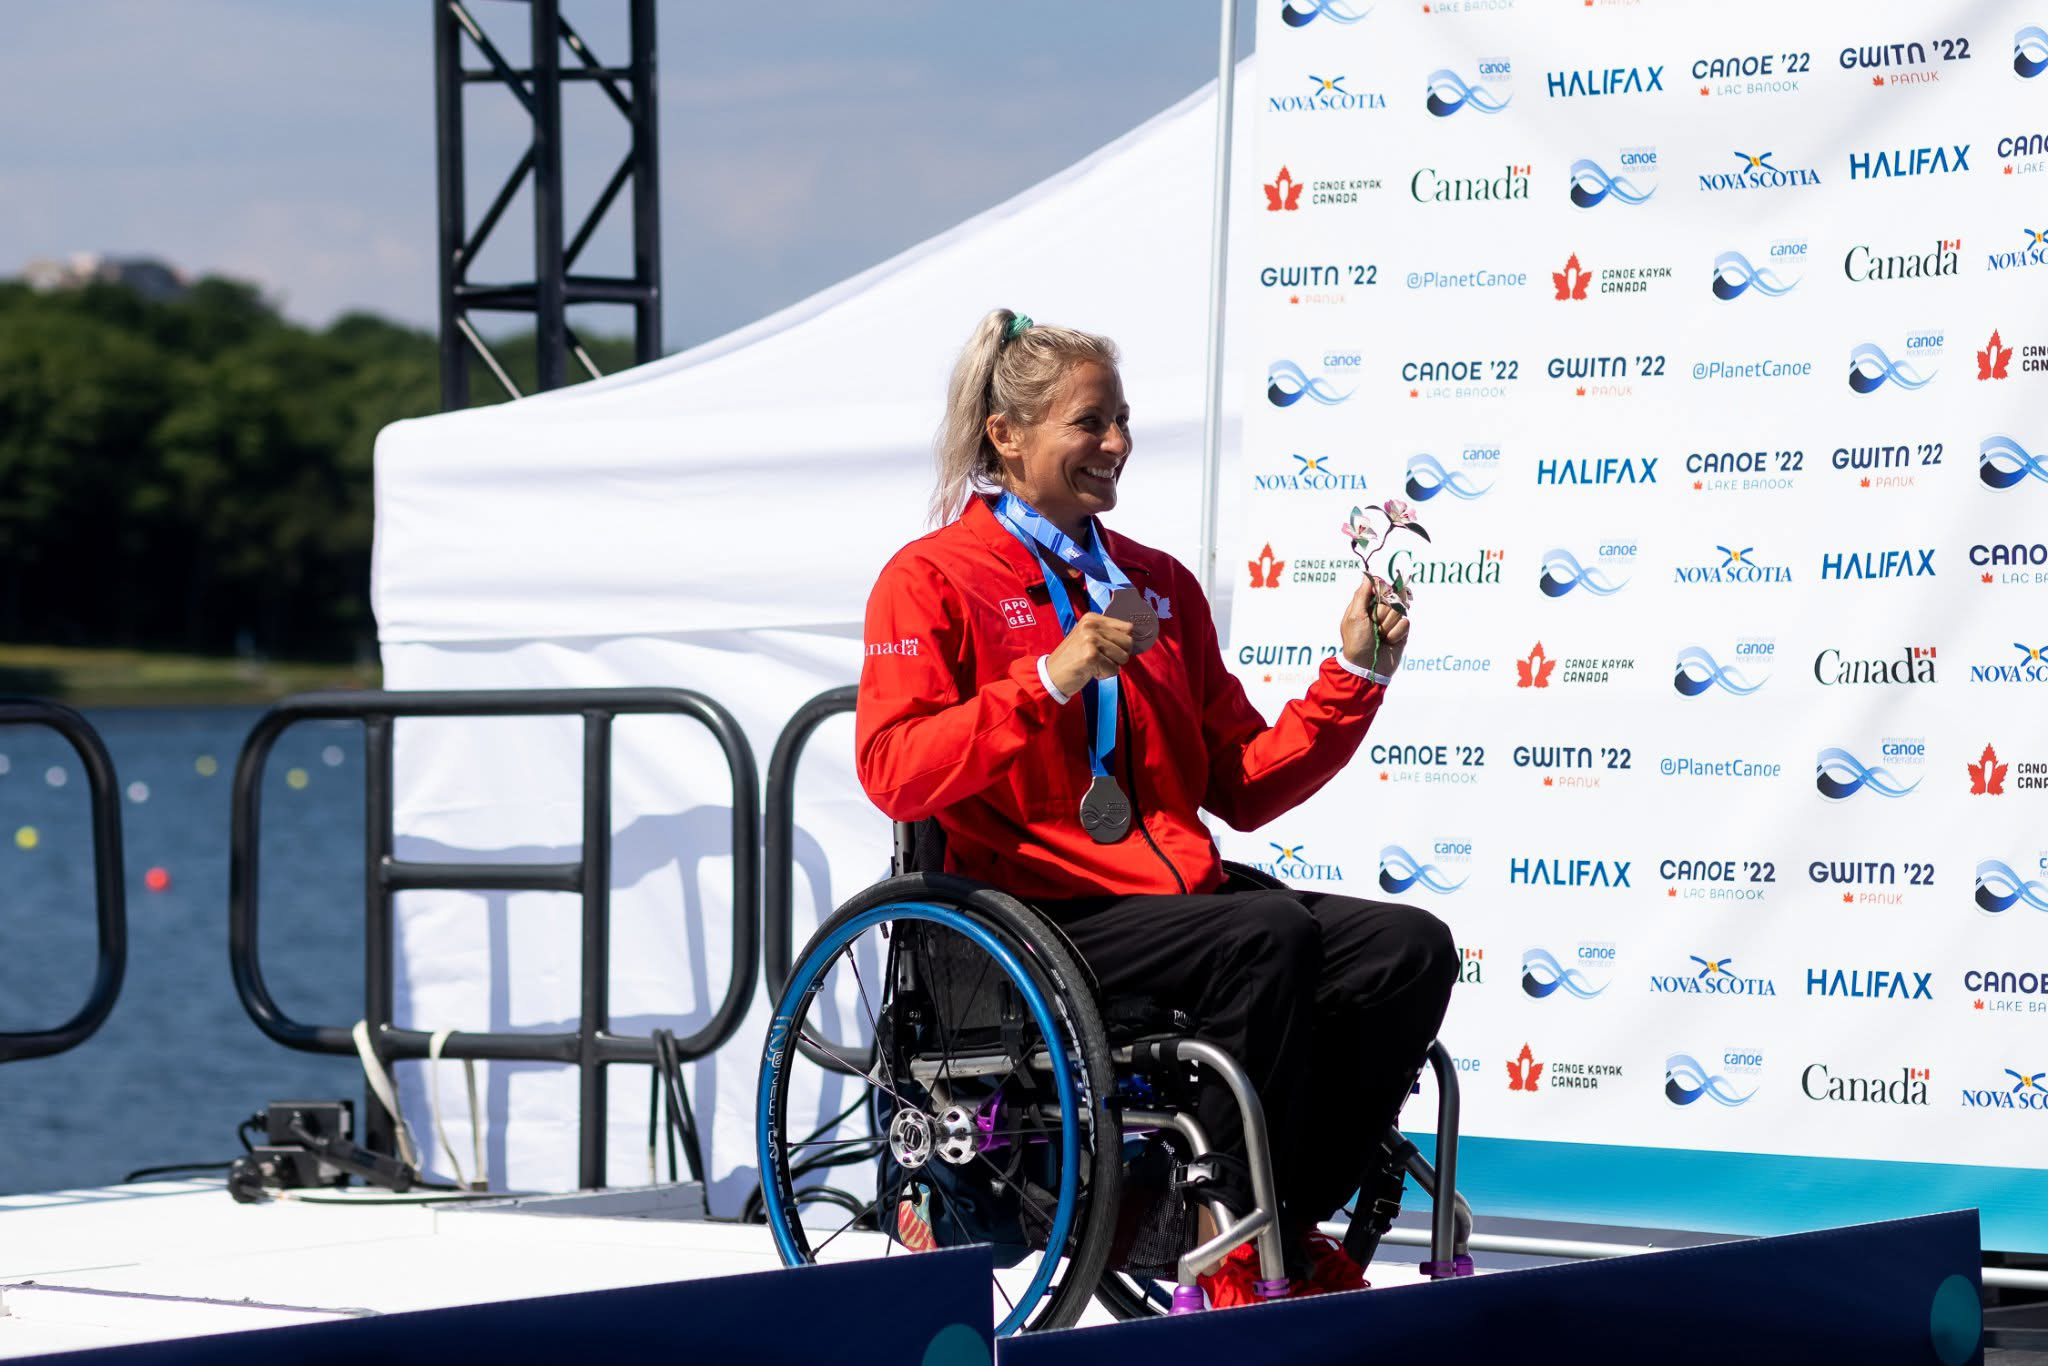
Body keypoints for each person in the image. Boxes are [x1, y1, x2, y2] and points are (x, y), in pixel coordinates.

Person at [854, 308, 1457, 1301]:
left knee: (1407, 947)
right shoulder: (931, 578)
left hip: (1174, 906)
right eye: (1089, 422)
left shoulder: (1155, 583)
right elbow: (893, 768)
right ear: (1008, 437)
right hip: (1038, 914)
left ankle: (1282, 1219)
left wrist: (1353, 676)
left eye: (1122, 420)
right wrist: (1045, 681)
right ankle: (1223, 1236)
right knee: (1263, 935)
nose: (1116, 444)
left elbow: (1242, 783)